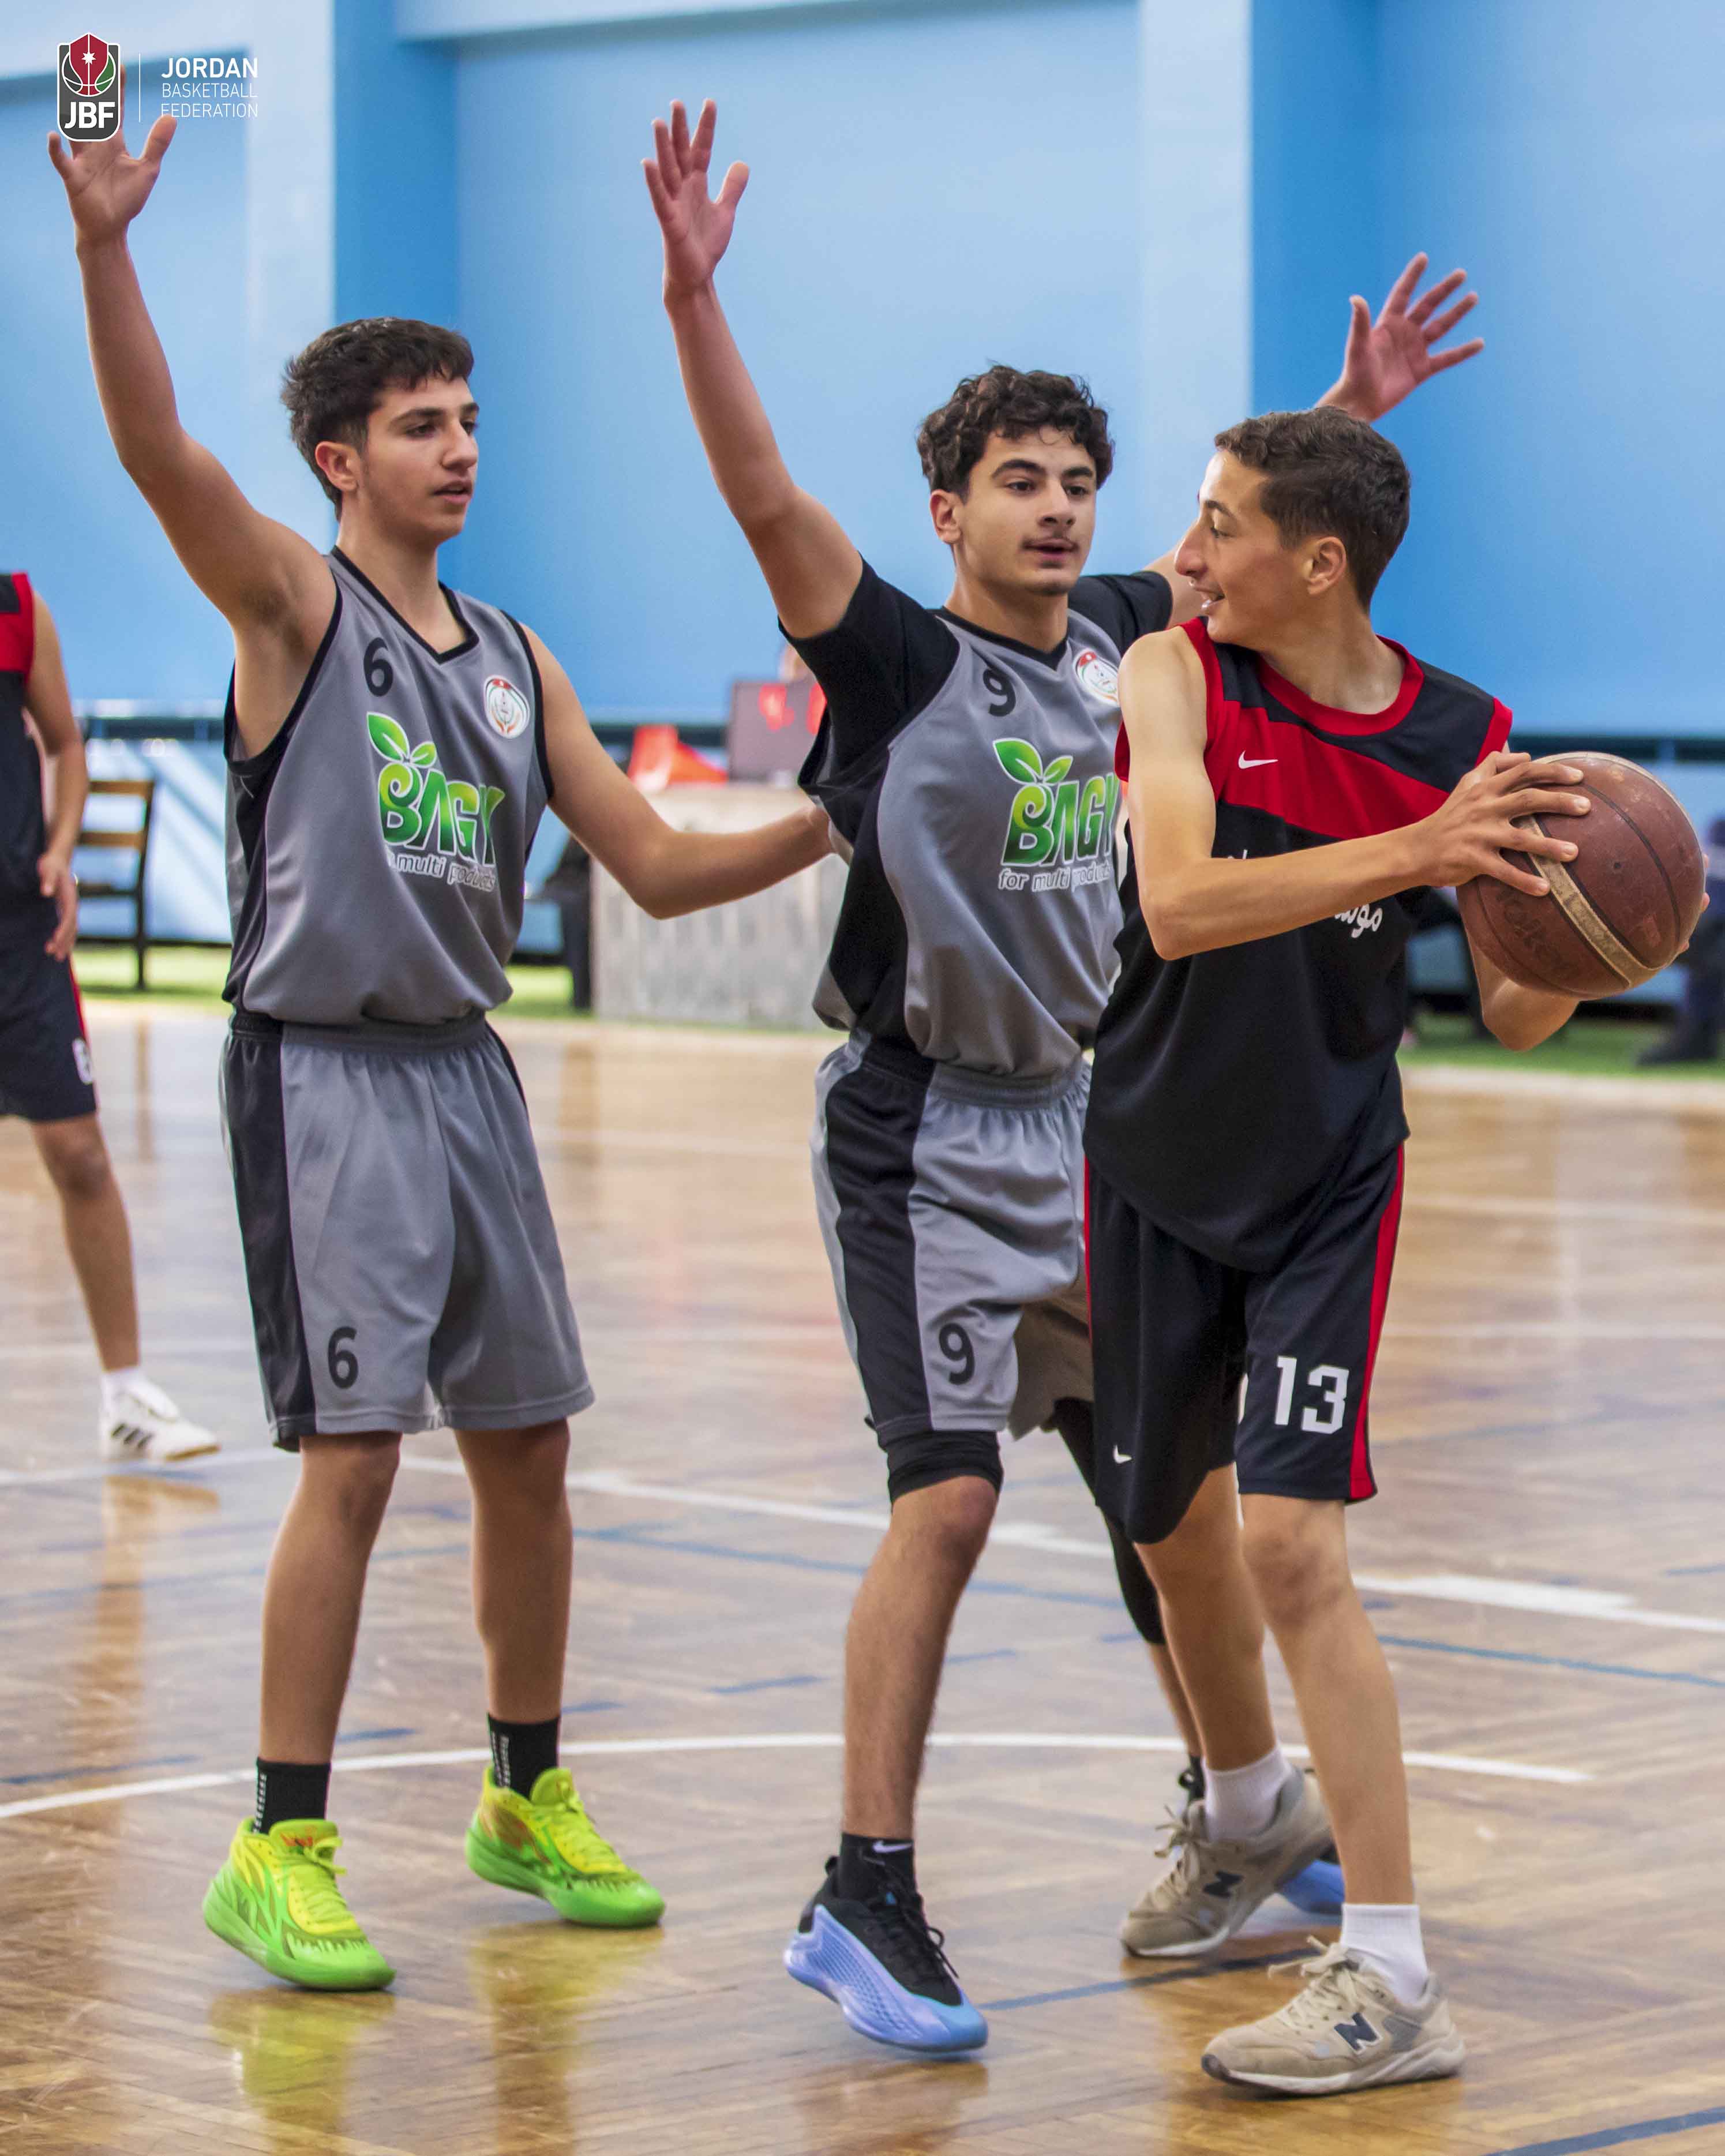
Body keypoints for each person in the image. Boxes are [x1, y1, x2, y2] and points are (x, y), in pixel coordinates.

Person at [644, 96, 1480, 2052]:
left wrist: (1349, 407)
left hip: (1093, 1120)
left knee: (1164, 1494)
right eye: (1017, 480)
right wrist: (693, 303)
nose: (1058, 509)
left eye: (1078, 481)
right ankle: (864, 1887)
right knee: (944, 1504)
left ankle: (1240, 1805)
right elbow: (762, 494)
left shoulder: (1127, 637)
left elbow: (1258, 541)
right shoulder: (890, 660)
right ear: (946, 510)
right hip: (924, 1129)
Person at [54, 101, 831, 1991]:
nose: (462, 446)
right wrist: (103, 244)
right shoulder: (291, 603)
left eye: (471, 419)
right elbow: (156, 451)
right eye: (422, 425)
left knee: (529, 1446)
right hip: (322, 1072)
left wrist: (837, 812)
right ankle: (279, 1839)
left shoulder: (511, 653)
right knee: (354, 1458)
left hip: (468, 1070)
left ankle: (521, 1792)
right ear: (340, 459)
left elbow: (653, 865)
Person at [1084, 406, 1596, 2094]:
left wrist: (1595, 927)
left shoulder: (1466, 737)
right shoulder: (1176, 673)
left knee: (1290, 1542)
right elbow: (1177, 902)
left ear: (1317, 564)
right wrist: (1423, 848)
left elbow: (1514, 1008)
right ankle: (1245, 1813)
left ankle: (1390, 1967)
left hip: (1324, 1177)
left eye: (1220, 524)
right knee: (1168, 1530)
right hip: (1152, 1158)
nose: (1189, 551)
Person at [0, 571, 220, 1463]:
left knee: (80, 1154)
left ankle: (126, 1397)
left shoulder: (18, 609)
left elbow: (65, 745)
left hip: (21, 936)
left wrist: (59, 850)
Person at [1638, 813, 1725, 1064]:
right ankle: (1697, 1035)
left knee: (1713, 948)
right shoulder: (1720, 829)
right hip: (1711, 924)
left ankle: (1696, 1036)